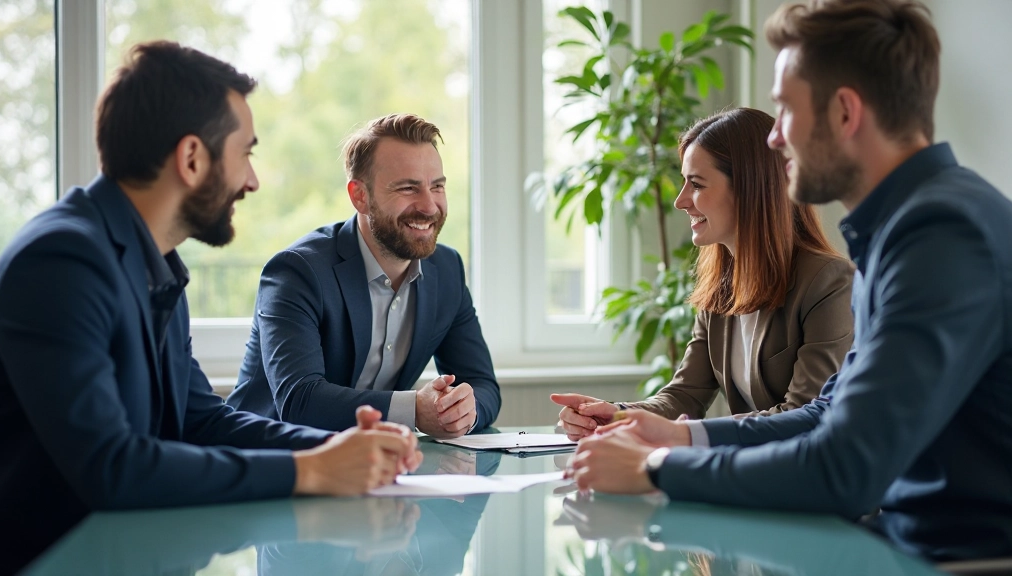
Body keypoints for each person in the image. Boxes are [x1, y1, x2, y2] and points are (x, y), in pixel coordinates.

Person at [567, 0, 1012, 562]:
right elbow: (827, 414)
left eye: (784, 111)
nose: (775, 139)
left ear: (845, 113)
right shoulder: (913, 225)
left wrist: (658, 467)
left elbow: (844, 468)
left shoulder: (941, 234)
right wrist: (677, 435)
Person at [0, 42, 421, 575]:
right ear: (192, 158)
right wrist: (308, 471)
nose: (252, 180)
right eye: (246, 153)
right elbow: (112, 467)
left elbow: (198, 418)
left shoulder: (152, 260)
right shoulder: (61, 261)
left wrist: (344, 448)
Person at [553, 107, 854, 441]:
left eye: (695, 184)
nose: (681, 201)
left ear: (750, 189)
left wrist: (686, 434)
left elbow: (803, 416)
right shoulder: (720, 287)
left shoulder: (830, 283)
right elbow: (684, 395)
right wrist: (613, 416)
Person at [227, 114, 501, 439]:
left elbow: (482, 384)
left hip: (373, 467)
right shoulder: (297, 271)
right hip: (267, 462)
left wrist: (463, 411)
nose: (429, 206)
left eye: (437, 186)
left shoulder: (447, 270)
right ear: (360, 196)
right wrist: (414, 409)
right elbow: (299, 400)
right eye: (408, 188)